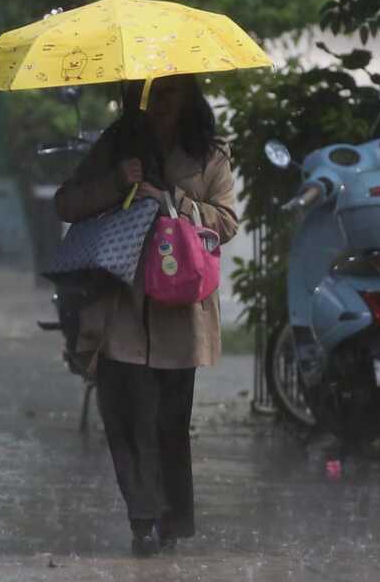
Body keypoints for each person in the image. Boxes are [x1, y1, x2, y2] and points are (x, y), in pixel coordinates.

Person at [53, 74, 238, 557]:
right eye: (152, 92)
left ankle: (171, 519)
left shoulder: (210, 153)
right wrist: (117, 182)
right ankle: (143, 519)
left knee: (169, 424)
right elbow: (67, 202)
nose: (160, 103)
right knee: (124, 418)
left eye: (171, 93)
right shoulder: (117, 144)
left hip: (180, 308)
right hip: (121, 304)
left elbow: (226, 221)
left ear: (188, 97)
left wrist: (173, 203)